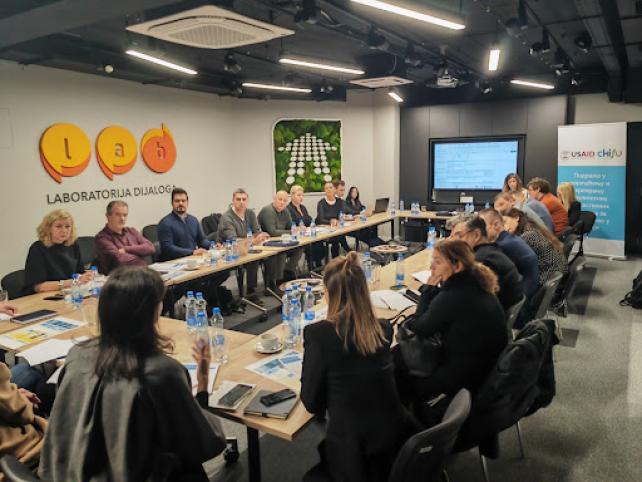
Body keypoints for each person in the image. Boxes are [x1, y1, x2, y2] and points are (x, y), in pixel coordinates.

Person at [39, 266, 226, 481]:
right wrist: (202, 380)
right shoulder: (161, 372)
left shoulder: (77, 355)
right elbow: (203, 442)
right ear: (154, 312)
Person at [301, 252, 416, 482]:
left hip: (355, 455)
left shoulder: (318, 335)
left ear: (328, 293)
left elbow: (312, 403)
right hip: (396, 440)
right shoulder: (382, 328)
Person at [399, 239, 507, 423]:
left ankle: (411, 427)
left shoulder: (454, 295)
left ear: (457, 266)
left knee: (398, 367)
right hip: (488, 371)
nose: (432, 266)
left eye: (438, 261)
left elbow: (420, 328)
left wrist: (429, 290)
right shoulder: (474, 282)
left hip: (465, 377)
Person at [450, 217, 524, 311]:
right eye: (452, 237)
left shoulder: (481, 261)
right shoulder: (491, 252)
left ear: (476, 235)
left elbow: (461, 299)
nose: (453, 242)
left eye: (460, 236)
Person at [217, 188, 270, 302]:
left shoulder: (250, 213)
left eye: (244, 199)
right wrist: (253, 241)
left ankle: (270, 285)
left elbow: (257, 230)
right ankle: (250, 292)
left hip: (246, 248)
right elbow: (233, 239)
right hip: (229, 252)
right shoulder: (227, 217)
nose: (241, 202)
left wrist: (261, 235)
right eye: (238, 199)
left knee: (264, 255)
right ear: (233, 200)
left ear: (247, 201)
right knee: (253, 259)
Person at [23, 209, 92, 295]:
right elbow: (38, 287)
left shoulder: (73, 245)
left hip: (69, 293)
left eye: (67, 226)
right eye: (58, 226)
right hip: (44, 297)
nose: (64, 230)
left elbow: (79, 273)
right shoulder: (38, 248)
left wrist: (87, 276)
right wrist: (71, 282)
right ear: (48, 228)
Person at [1, 357, 47, 474]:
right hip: (25, 458)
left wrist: (12, 394)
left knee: (24, 370)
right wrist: (19, 399)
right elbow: (24, 415)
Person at [479, 208, 539, 297]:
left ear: (496, 225)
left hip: (522, 299)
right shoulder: (510, 239)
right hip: (528, 292)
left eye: (481, 227)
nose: (478, 231)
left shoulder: (503, 245)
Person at [503, 208, 568, 285]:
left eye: (505, 222)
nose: (504, 227)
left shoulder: (528, 235)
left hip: (550, 279)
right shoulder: (531, 227)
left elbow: (512, 262)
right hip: (556, 274)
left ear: (516, 218)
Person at [258, 191, 304, 289]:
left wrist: (295, 229)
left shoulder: (285, 210)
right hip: (266, 245)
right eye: (280, 199)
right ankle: (275, 281)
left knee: (300, 247)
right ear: (274, 199)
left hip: (280, 241)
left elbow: (291, 226)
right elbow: (272, 232)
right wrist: (291, 232)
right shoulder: (268, 210)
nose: (282, 202)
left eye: (285, 201)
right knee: (281, 252)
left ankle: (287, 271)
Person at [95, 200, 155, 273]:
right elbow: (119, 260)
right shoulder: (102, 238)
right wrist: (141, 254)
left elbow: (151, 247)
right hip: (119, 280)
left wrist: (126, 249)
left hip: (140, 274)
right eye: (118, 214)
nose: (122, 219)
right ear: (108, 216)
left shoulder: (132, 231)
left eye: (125, 215)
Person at [158, 188, 210, 261]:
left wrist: (212, 245)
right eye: (177, 201)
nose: (181, 203)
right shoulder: (165, 223)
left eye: (183, 201)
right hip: (174, 263)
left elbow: (202, 241)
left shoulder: (193, 220)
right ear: (172, 203)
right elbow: (167, 248)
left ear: (187, 202)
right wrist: (192, 252)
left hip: (193, 259)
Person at [288, 185, 325, 269]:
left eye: (302, 195)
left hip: (307, 234)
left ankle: (319, 265)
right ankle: (311, 267)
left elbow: (309, 219)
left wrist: (312, 223)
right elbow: (291, 224)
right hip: (298, 237)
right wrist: (299, 227)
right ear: (292, 196)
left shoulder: (302, 207)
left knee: (319, 240)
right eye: (298, 195)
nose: (301, 197)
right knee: (310, 245)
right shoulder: (288, 209)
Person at [317, 182, 350, 257]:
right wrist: (330, 221)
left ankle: (344, 253)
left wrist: (358, 214)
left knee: (339, 234)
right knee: (337, 237)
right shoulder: (321, 203)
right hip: (324, 229)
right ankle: (342, 254)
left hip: (336, 228)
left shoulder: (340, 201)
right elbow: (321, 219)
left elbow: (348, 211)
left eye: (330, 188)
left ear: (335, 190)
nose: (328, 190)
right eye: (326, 188)